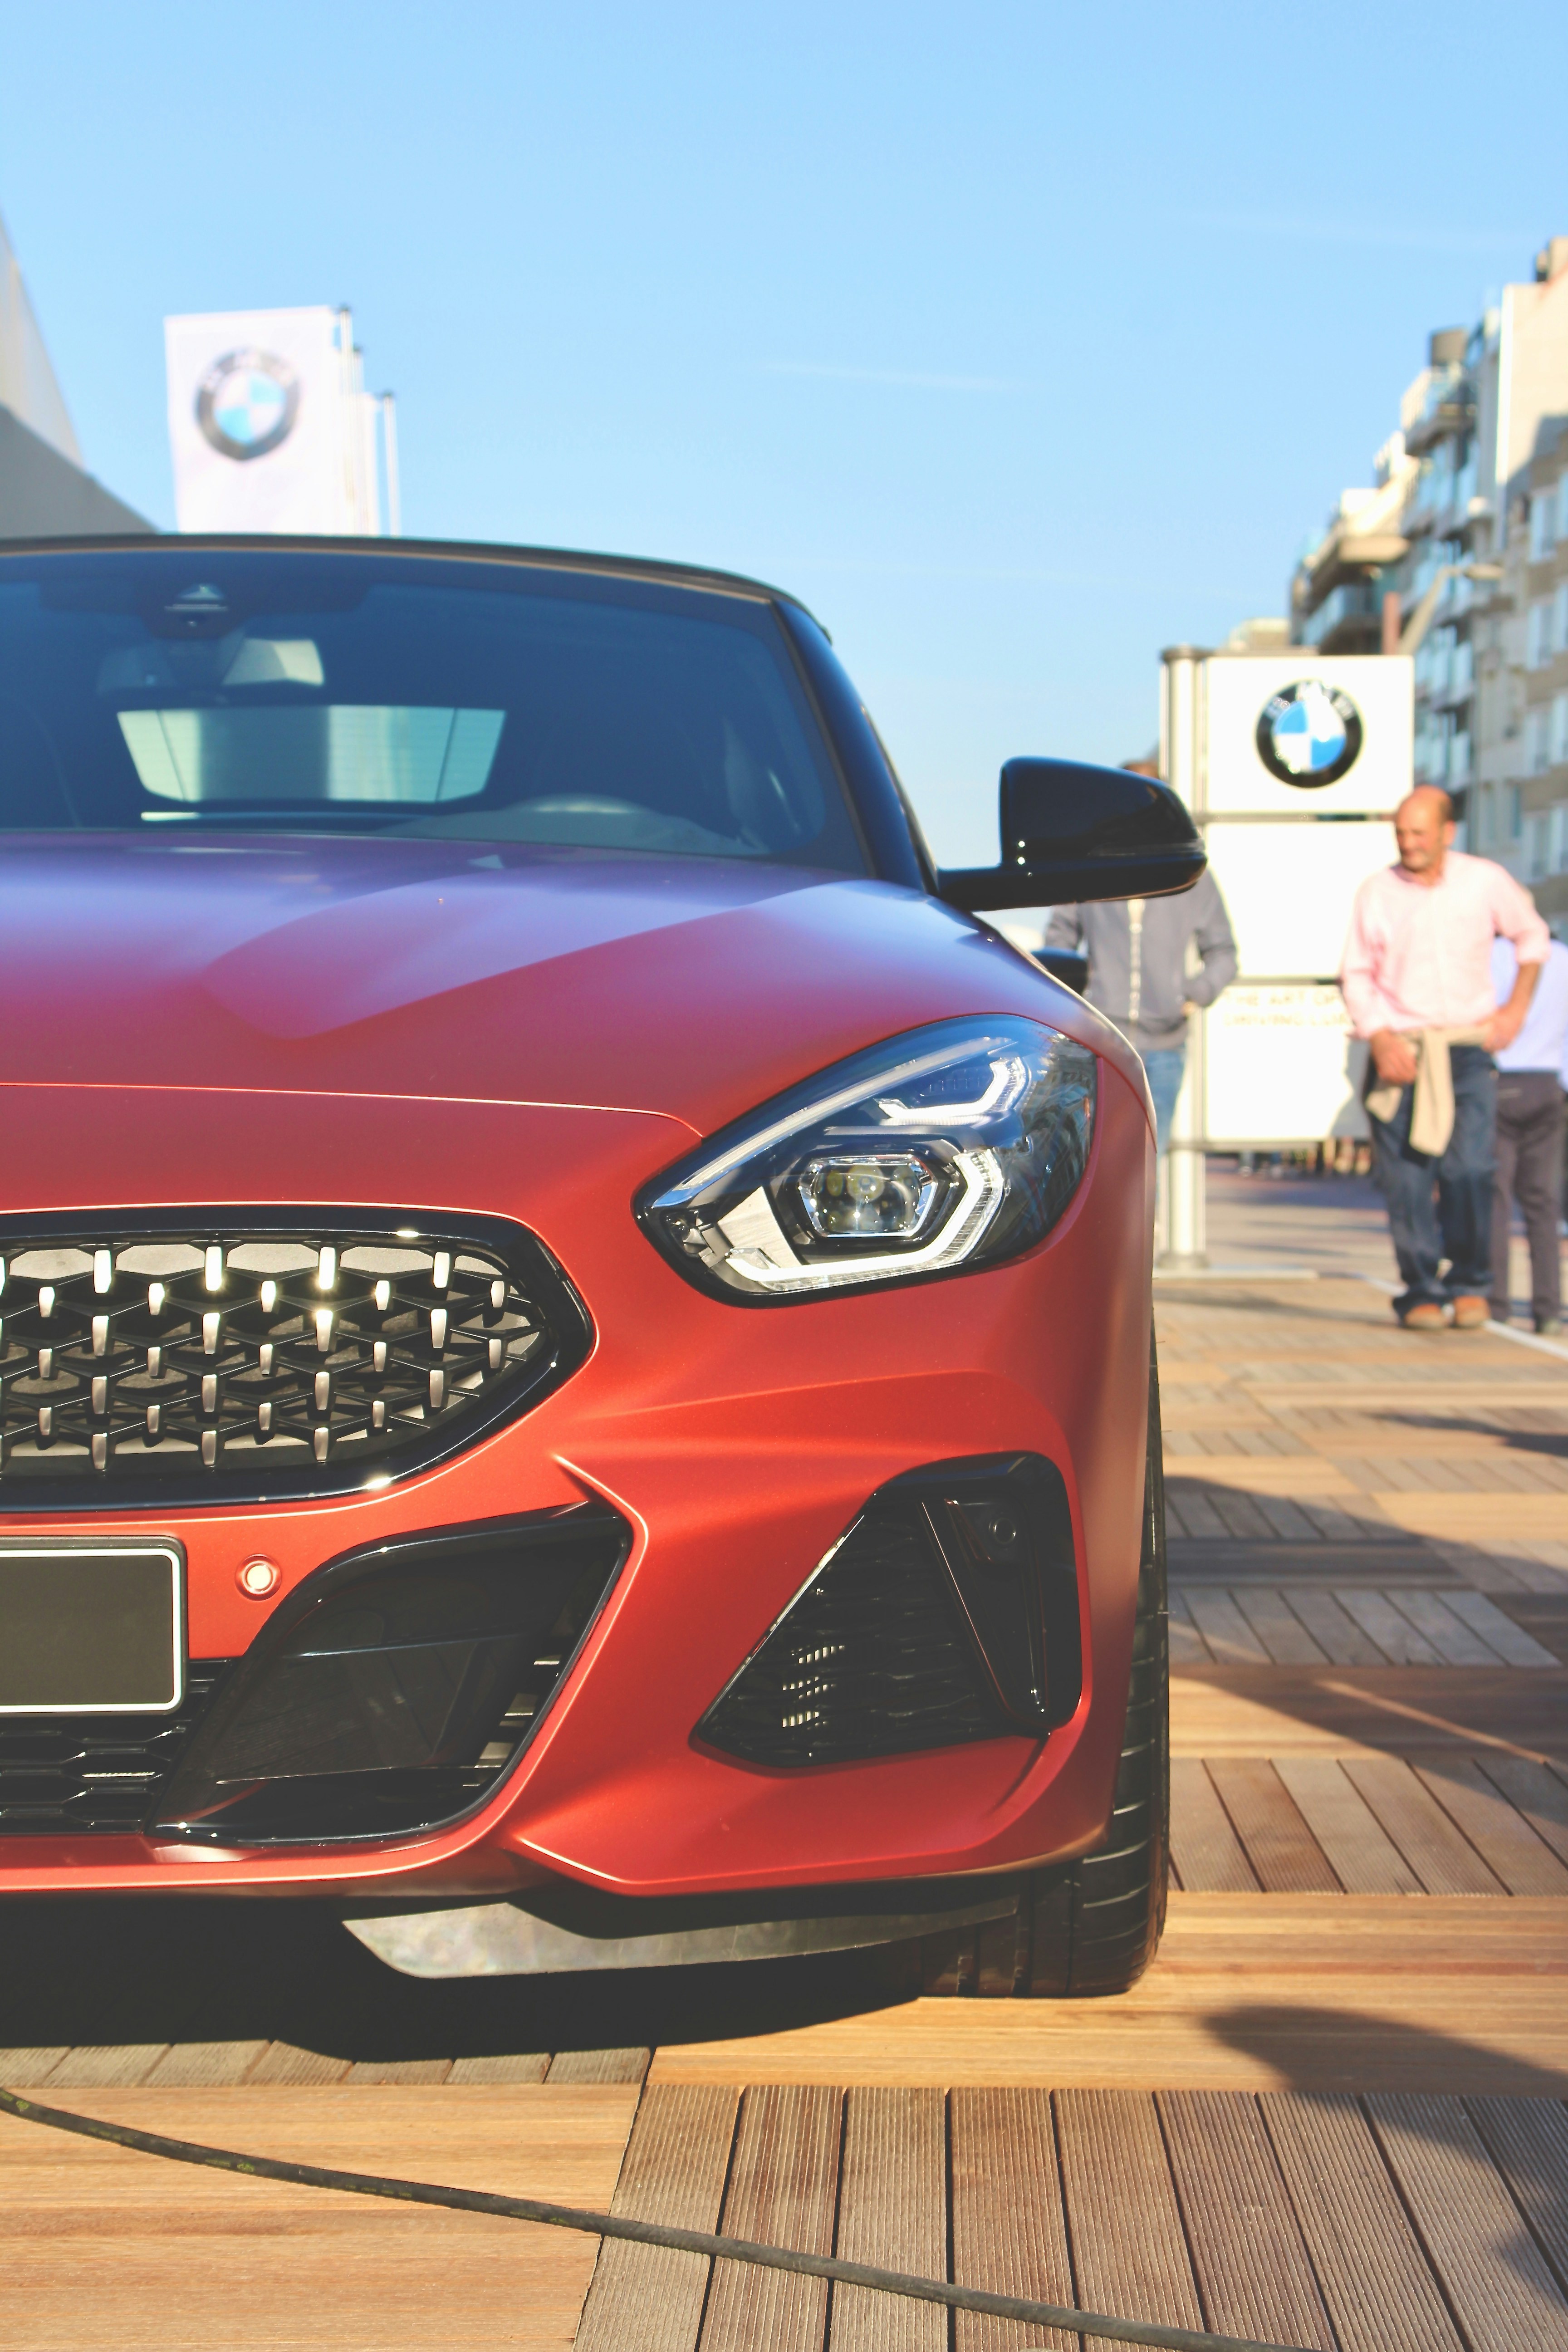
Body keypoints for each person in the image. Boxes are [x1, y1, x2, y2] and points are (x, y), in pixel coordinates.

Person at [1340, 784, 1549, 1330]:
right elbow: (1357, 974)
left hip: (1467, 1050)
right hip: (1400, 1051)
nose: (1408, 844)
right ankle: (1422, 1290)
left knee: (1473, 1169)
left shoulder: (1485, 880)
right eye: (1401, 834)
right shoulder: (1377, 892)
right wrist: (1380, 1038)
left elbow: (1533, 938)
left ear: (1447, 833)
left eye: (1419, 834)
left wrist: (1515, 1011)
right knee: (1408, 1181)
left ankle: (1472, 1282)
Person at [1044, 867, 1236, 1153]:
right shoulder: (1089, 869)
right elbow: (1059, 942)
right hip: (1101, 1045)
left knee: (1147, 1164)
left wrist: (1195, 993)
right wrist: (1078, 998)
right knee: (1097, 1158)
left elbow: (1224, 953)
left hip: (1165, 1046)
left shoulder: (1189, 873)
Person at [1489, 930, 1568, 1335]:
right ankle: (1548, 1308)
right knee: (1544, 1202)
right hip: (1547, 1083)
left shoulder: (1488, 956)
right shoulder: (1563, 958)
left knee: (1496, 1199)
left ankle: (1497, 1304)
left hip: (1499, 1081)